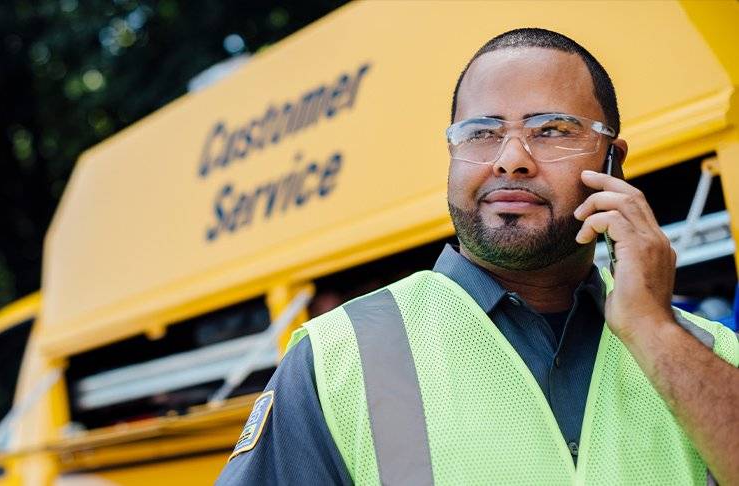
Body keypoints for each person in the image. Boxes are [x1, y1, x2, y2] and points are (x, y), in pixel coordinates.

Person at [216, 28, 739, 485]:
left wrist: (655, 332)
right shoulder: (337, 355)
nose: (511, 159)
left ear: (613, 161)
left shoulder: (708, 351)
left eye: (551, 130)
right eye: (483, 133)